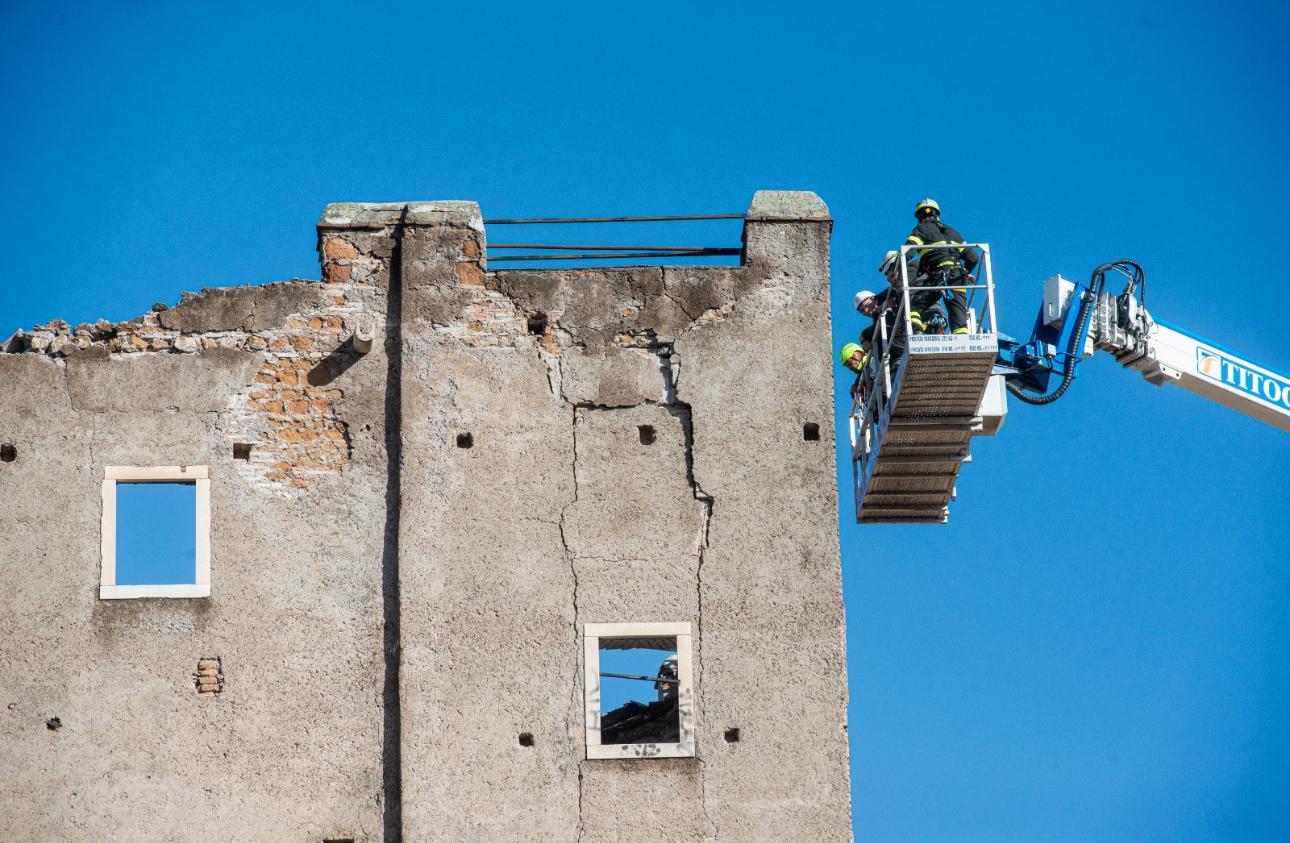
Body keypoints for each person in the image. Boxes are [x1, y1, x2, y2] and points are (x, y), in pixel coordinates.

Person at [903, 198, 978, 334]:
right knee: (959, 319)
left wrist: (897, 267)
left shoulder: (921, 230)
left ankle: (917, 332)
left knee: (913, 305)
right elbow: (973, 258)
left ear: (919, 217)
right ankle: (962, 340)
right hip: (958, 278)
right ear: (937, 214)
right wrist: (966, 272)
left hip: (939, 276)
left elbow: (908, 252)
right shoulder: (953, 232)